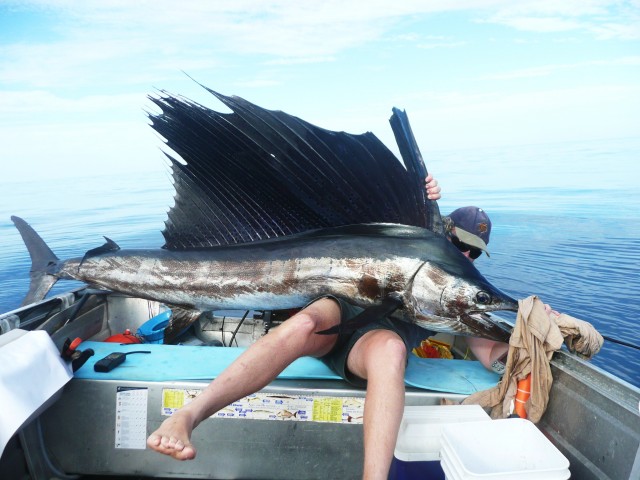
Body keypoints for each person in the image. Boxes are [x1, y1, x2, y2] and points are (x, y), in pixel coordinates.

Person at [147, 179, 443, 478]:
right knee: (304, 322)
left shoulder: (459, 289)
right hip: (341, 308)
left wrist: (496, 365)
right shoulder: (431, 240)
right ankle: (188, 415)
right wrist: (421, 197)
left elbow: (491, 351)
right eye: (467, 245)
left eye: (474, 250)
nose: (469, 253)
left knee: (390, 351)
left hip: (375, 336)